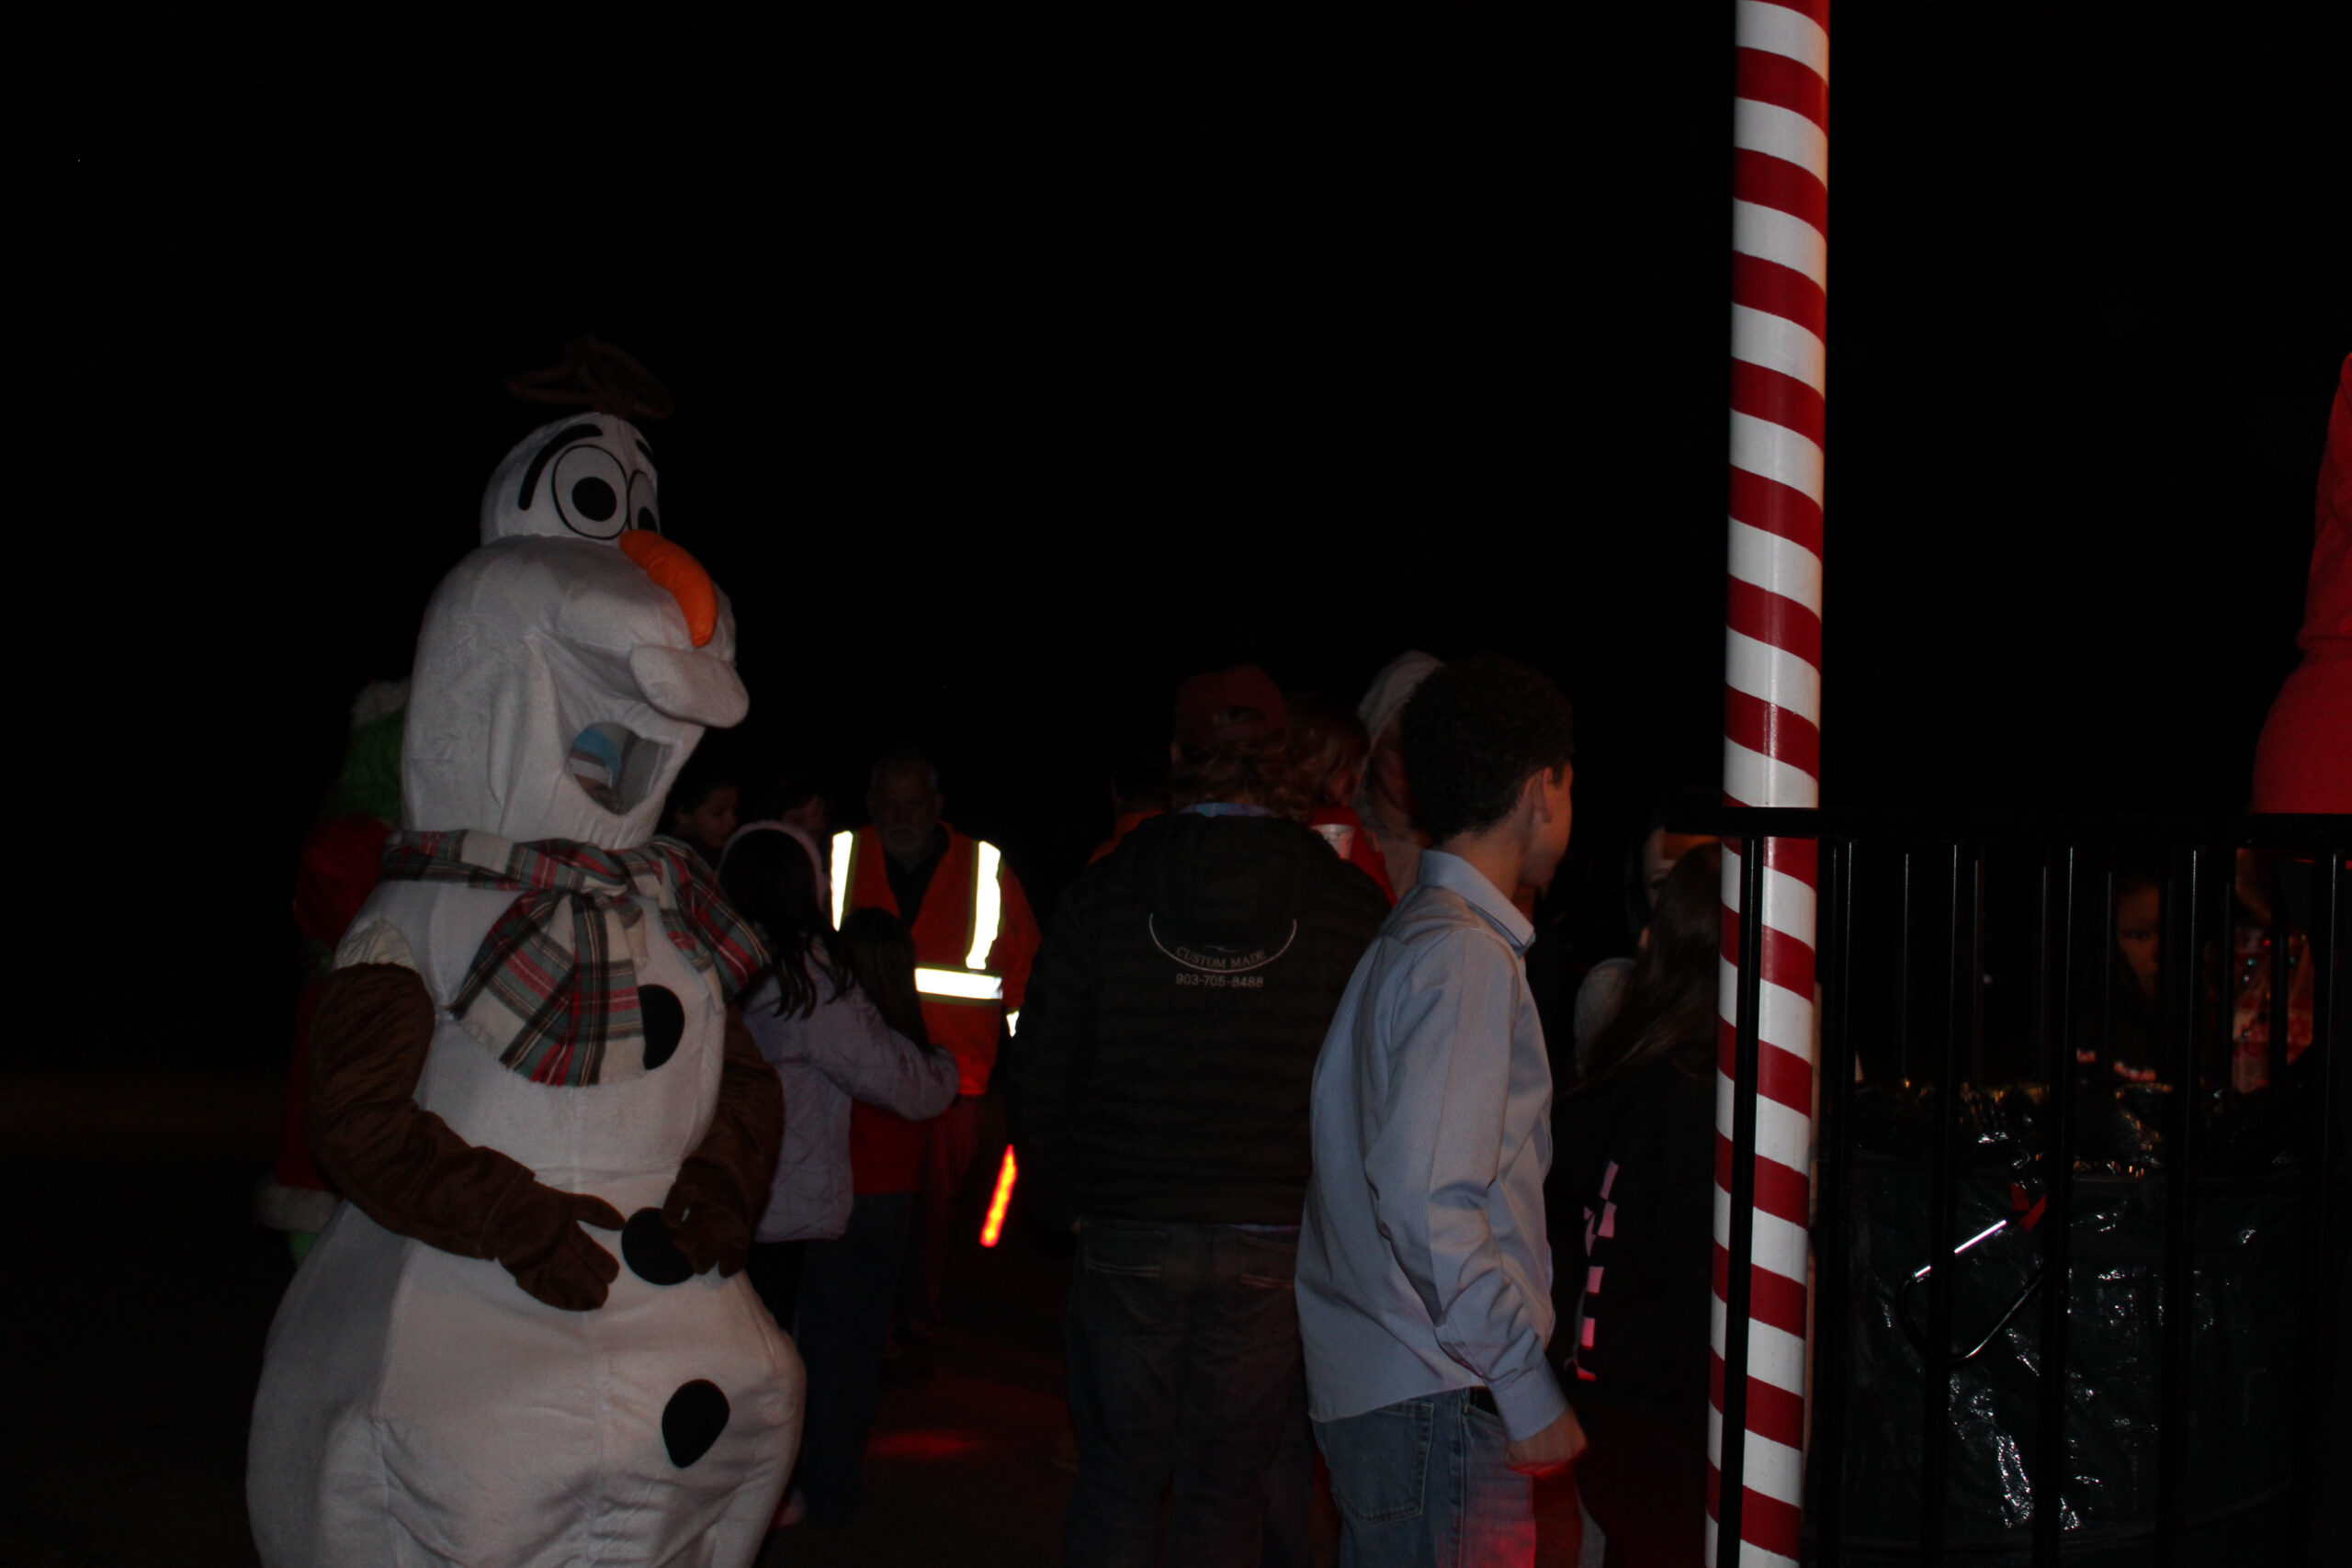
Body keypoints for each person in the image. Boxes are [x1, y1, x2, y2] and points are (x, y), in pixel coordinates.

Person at [1014, 664, 1389, 1566]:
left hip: (1130, 1220)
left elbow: (1042, 1062)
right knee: (1226, 1488)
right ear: (1282, 756)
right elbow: (1377, 1086)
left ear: (1180, 754)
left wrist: (1063, 1200)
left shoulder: (1104, 890)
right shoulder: (1345, 904)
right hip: (1274, 1230)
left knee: (1117, 1480)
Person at [1299, 653, 1585, 1567]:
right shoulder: (1464, 957)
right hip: (1437, 1393)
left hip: (1397, 1389)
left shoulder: (1414, 934)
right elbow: (1429, 1202)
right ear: (1540, 790)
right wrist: (1523, 1383)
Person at [830, 744, 1041, 1369]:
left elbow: (1024, 974)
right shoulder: (840, 856)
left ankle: (915, 1329)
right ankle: (862, 1331)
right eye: (890, 805)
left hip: (955, 1081)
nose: (902, 817)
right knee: (855, 1209)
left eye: (914, 805)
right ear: (870, 805)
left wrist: (1032, 1068)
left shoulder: (984, 866)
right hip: (858, 1077)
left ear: (938, 805)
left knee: (932, 1216)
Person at [1547, 843, 1723, 1568]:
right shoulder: (1700, 1096)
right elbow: (1693, 1290)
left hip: (1601, 1407)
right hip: (1665, 1425)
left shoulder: (1620, 1076)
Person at [718, 824, 958, 1345]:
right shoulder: (807, 983)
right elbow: (895, 1079)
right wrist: (944, 1067)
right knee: (793, 1358)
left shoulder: (713, 961)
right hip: (784, 1208)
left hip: (722, 1195)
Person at [794, 908, 959, 1528]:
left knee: (820, 1342)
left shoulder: (846, 1039)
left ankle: (816, 1475)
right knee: (861, 1344)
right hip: (892, 1205)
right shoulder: (916, 1050)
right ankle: (840, 1478)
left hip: (836, 1201)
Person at [1351, 649, 1442, 898]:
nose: (1417, 765)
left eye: (1432, 750)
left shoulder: (1465, 848)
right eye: (1401, 749)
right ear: (1374, 745)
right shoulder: (1343, 841)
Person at [662, 748, 741, 869]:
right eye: (718, 813)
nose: (732, 821)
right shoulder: (687, 861)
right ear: (682, 815)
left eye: (734, 810)